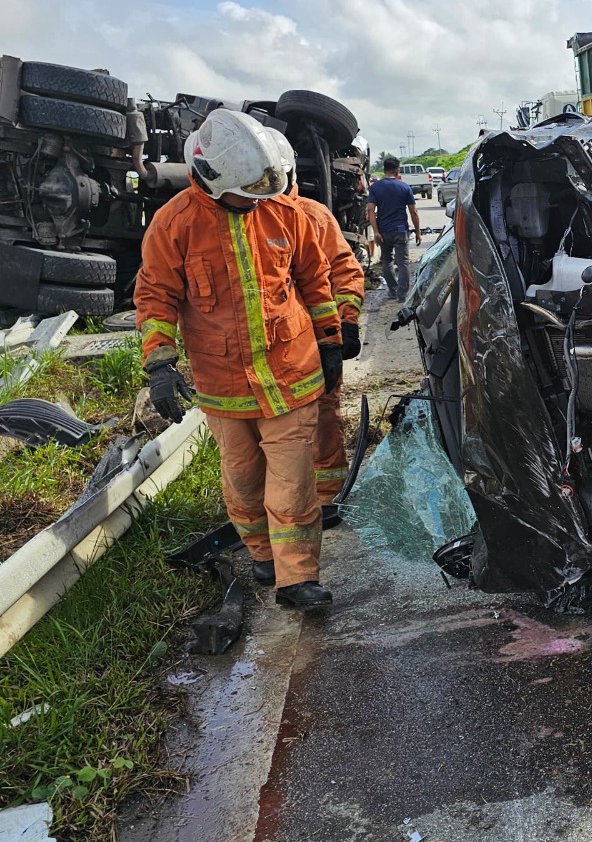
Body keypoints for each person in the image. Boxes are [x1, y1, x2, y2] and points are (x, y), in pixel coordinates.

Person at [135, 108, 343, 611]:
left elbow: (315, 281)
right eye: (245, 193)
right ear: (211, 179)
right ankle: (263, 553)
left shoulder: (284, 213)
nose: (255, 201)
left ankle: (297, 577)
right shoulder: (174, 224)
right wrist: (160, 363)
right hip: (224, 383)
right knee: (243, 477)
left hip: (291, 374)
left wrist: (331, 340)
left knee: (293, 478)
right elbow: (156, 297)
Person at [266, 128, 365, 526]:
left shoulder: (312, 215)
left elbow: (344, 271)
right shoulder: (232, 221)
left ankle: (328, 496)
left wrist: (347, 323)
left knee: (322, 419)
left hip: (314, 343)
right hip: (262, 351)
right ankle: (282, 500)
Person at [367, 156, 422, 301]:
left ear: (384, 170)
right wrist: (418, 232)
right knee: (403, 262)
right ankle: (402, 295)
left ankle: (393, 291)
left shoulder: (375, 187)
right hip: (401, 230)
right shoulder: (404, 187)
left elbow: (370, 210)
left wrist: (376, 232)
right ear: (397, 171)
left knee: (387, 261)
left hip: (383, 231)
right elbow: (413, 212)